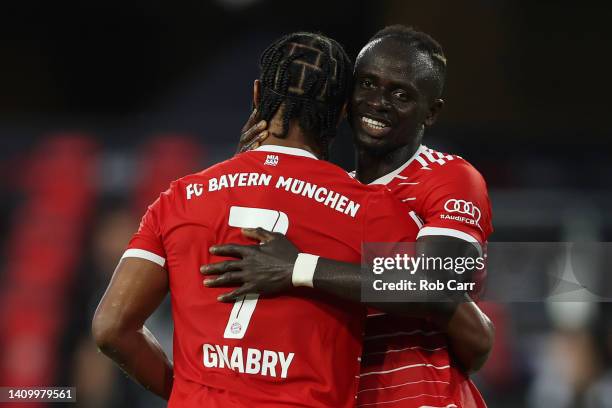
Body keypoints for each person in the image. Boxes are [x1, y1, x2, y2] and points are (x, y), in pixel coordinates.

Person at [92, 31, 420, 407]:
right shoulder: (373, 208)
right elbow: (440, 296)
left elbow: (111, 329)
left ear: (256, 95)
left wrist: (185, 392)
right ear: (344, 110)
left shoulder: (181, 198)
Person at [203, 25, 494, 407]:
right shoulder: (335, 193)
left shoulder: (448, 177)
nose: (378, 102)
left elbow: (435, 286)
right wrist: (254, 171)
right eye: (368, 85)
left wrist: (300, 269)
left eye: (401, 94)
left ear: (432, 112)